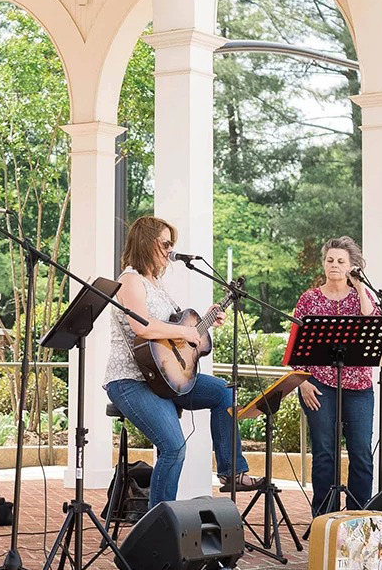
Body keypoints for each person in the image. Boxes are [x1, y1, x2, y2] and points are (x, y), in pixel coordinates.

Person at [104, 216, 263, 508]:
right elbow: (143, 327)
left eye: (171, 244)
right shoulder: (130, 280)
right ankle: (158, 522)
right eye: (165, 243)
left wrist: (204, 323)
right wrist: (186, 331)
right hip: (130, 380)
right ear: (146, 242)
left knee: (223, 392)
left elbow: (175, 339)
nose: (170, 250)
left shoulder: (158, 284)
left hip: (165, 376)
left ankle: (232, 473)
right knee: (174, 446)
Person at [294, 236, 379, 516]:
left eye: (341, 261)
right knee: (325, 456)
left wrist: (361, 287)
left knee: (362, 455)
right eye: (330, 260)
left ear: (352, 266)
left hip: (358, 386)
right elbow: (295, 348)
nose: (334, 265)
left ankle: (357, 523)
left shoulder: (361, 299)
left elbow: (373, 322)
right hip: (318, 386)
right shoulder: (309, 299)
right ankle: (325, 523)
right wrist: (303, 382)